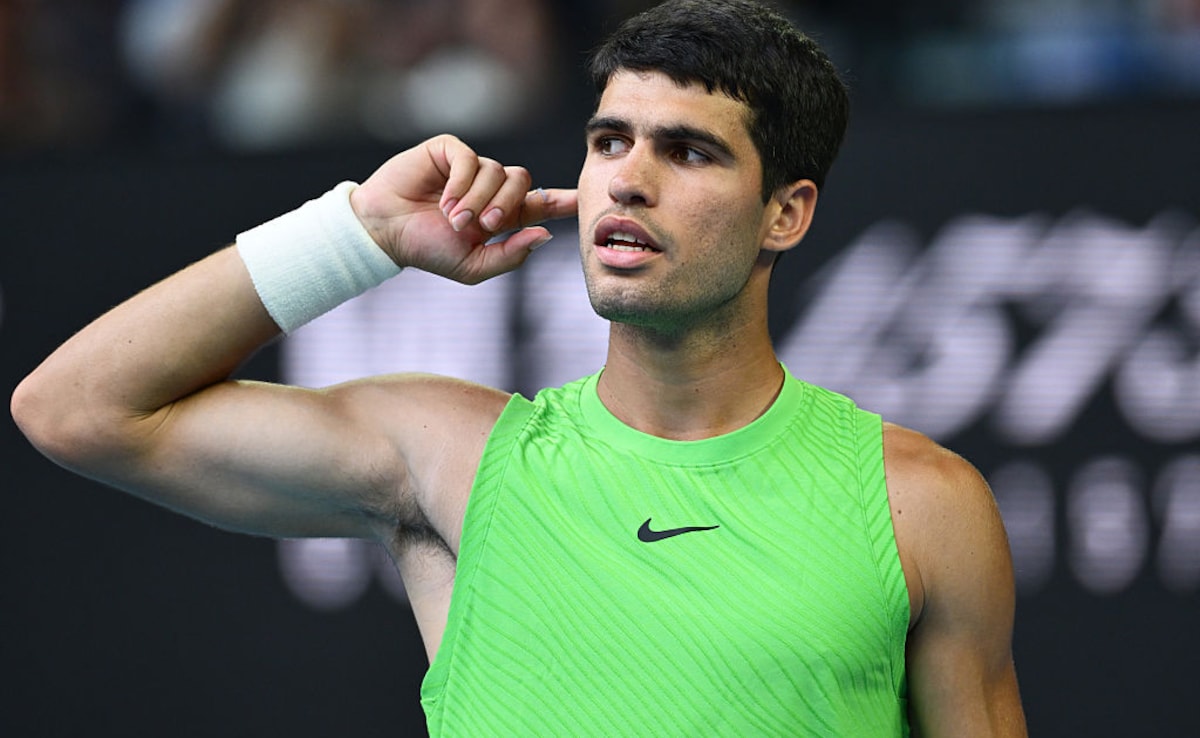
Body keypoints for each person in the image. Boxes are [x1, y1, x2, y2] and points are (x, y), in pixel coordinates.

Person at [11, 0, 1027, 734]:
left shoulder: (921, 505)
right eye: (609, 140)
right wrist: (356, 231)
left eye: (689, 152)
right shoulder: (450, 459)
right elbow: (75, 409)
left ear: (787, 212)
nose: (628, 177)